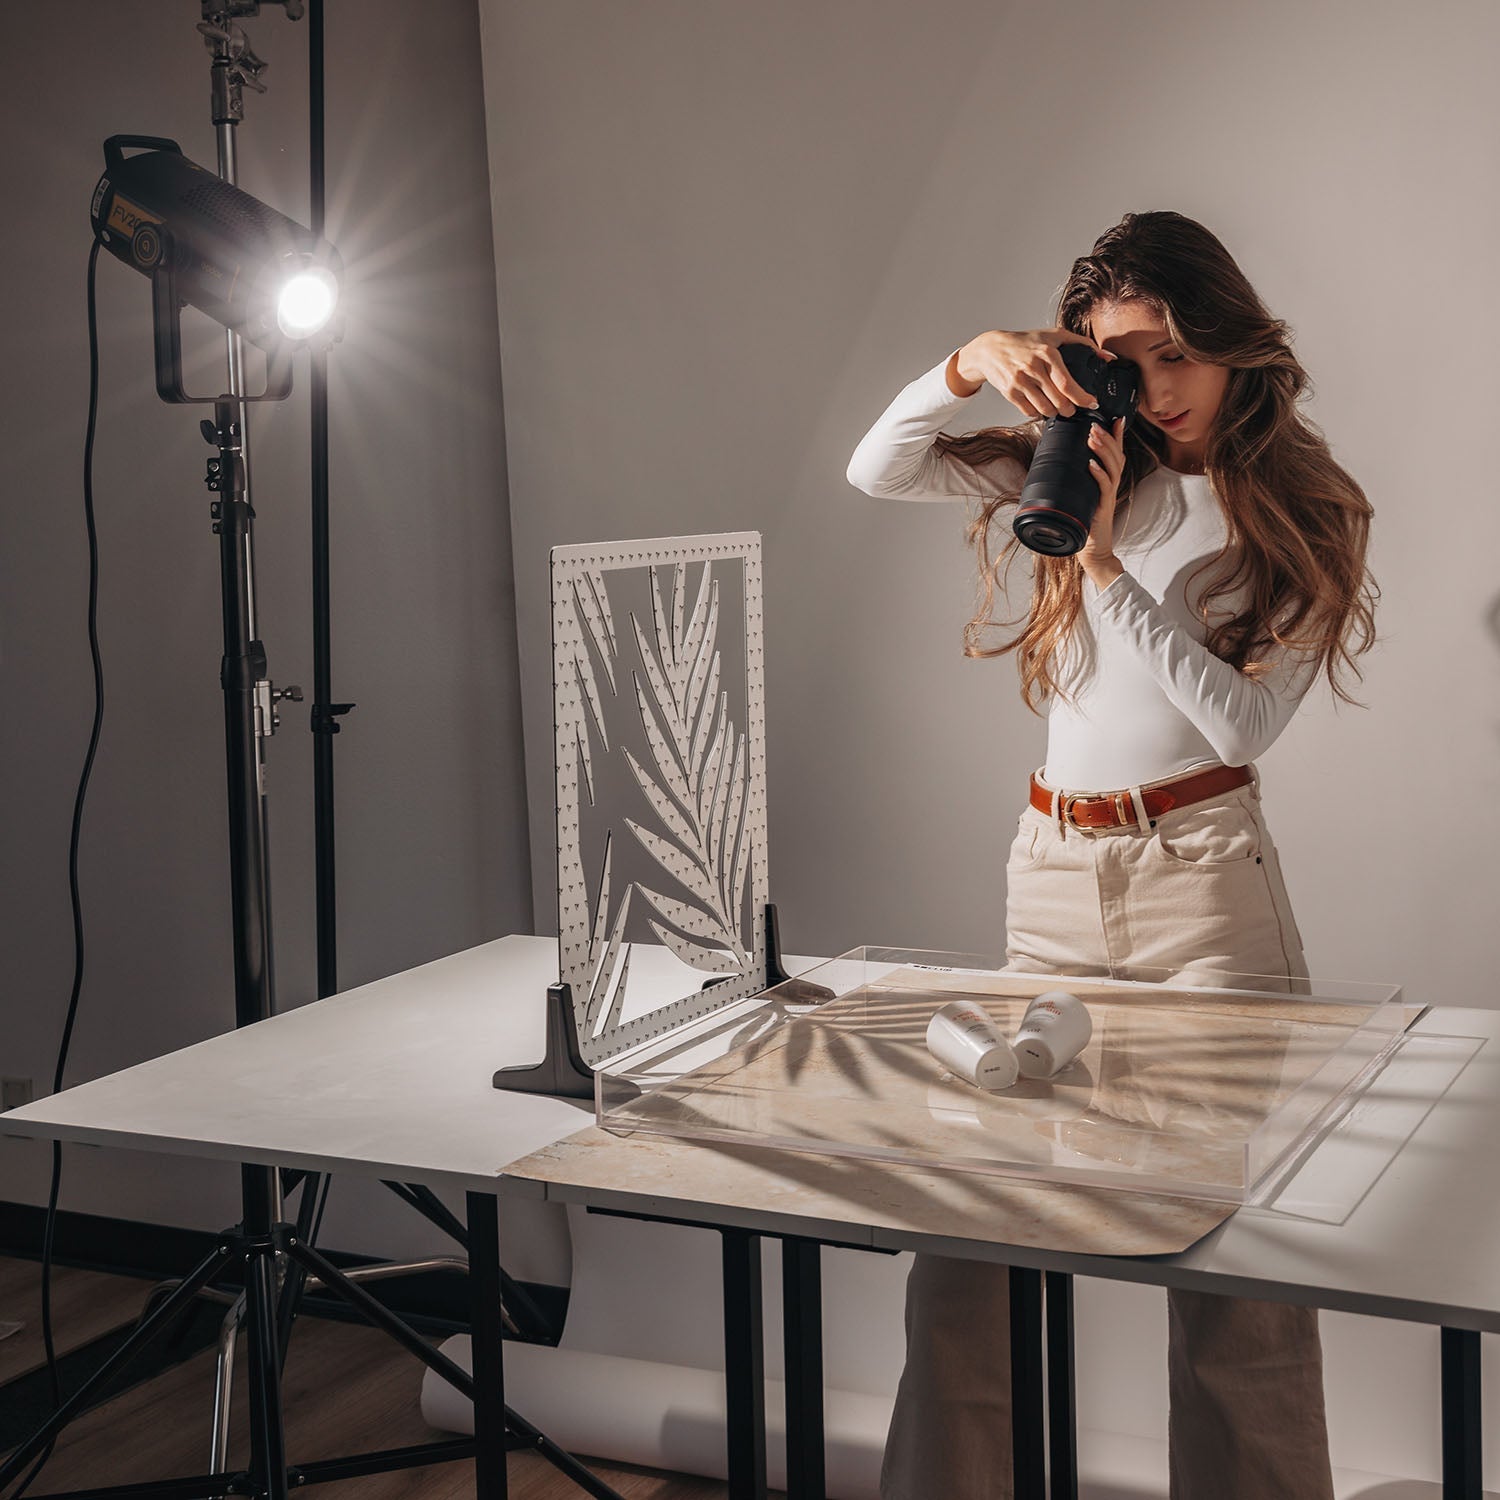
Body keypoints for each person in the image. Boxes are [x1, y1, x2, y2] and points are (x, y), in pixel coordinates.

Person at [844, 210, 1377, 1499]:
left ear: (1234, 345)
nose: (1156, 388)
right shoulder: (1083, 465)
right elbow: (880, 466)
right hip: (1051, 883)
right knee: (969, 1250)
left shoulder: (1305, 507)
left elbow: (1244, 722)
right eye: (1121, 360)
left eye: (1178, 353)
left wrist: (1101, 575)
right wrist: (969, 362)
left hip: (1205, 895)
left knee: (1237, 1285)